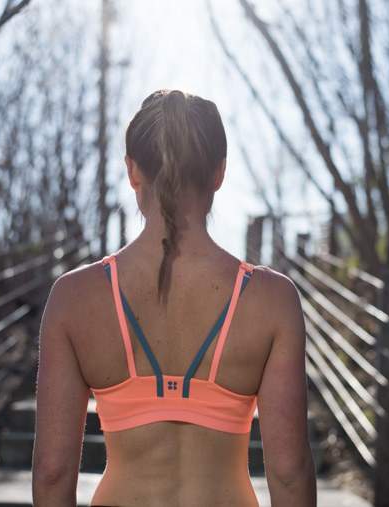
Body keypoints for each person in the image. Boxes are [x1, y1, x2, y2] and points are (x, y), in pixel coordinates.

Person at [31, 89, 315, 506]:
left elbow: (52, 473)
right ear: (219, 173)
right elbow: (289, 473)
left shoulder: (74, 298)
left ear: (132, 171)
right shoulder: (272, 300)